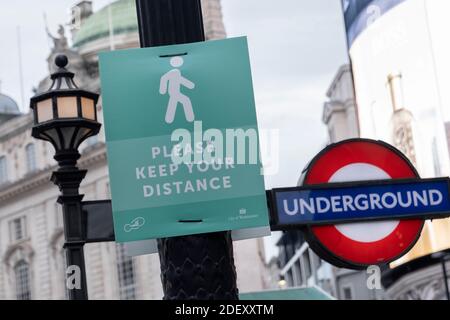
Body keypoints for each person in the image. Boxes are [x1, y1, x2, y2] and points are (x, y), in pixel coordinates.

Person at [159, 56, 195, 124]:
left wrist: (190, 85)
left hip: (174, 92)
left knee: (174, 103)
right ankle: (190, 118)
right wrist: (162, 90)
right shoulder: (172, 72)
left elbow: (181, 80)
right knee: (185, 100)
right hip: (173, 92)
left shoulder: (177, 72)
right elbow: (164, 78)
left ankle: (169, 120)